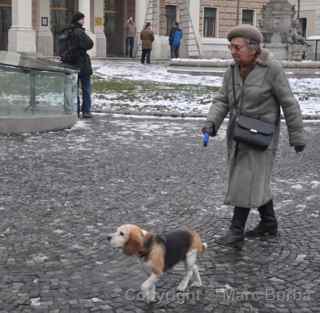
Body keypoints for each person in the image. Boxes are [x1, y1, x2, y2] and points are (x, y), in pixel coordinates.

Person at [202, 25, 305, 247]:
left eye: (237, 47)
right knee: (256, 181)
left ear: (253, 48)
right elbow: (222, 100)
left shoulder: (272, 69)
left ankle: (236, 230)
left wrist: (297, 136)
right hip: (238, 135)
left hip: (261, 138)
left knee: (246, 180)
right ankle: (269, 223)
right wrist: (211, 123)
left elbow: (289, 102)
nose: (232, 51)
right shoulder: (231, 70)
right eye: (231, 46)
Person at [62, 11, 94, 118]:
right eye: (82, 19)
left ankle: (75, 110)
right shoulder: (79, 32)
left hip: (69, 63)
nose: (83, 21)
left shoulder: (66, 31)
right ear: (78, 20)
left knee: (72, 89)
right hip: (82, 63)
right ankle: (86, 111)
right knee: (86, 88)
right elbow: (90, 44)